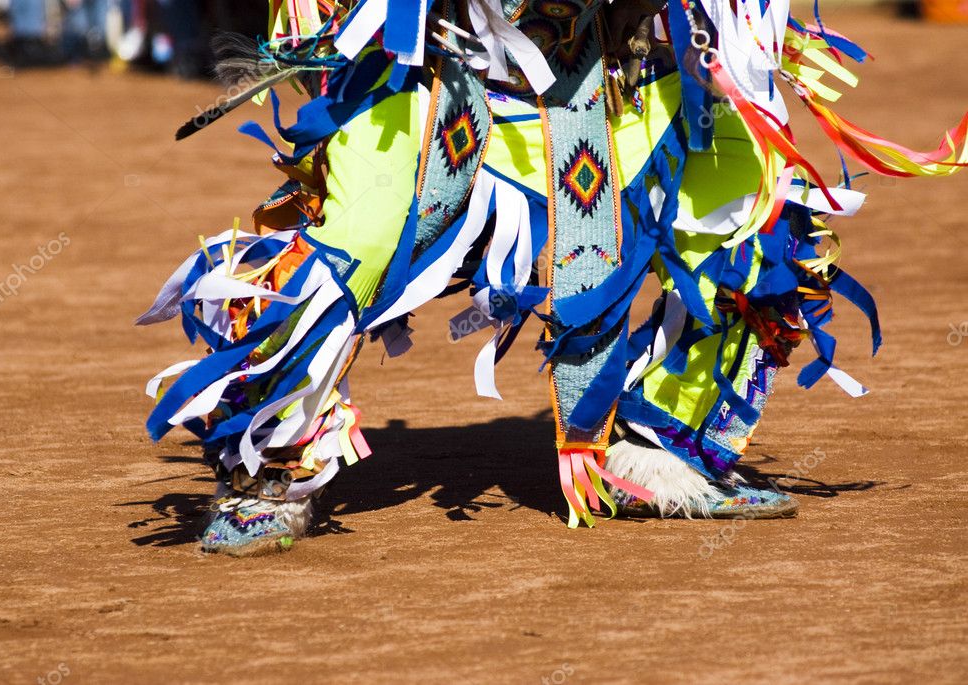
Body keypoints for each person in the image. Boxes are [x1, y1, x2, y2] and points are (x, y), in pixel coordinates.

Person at [139, 0, 966, 556]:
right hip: (435, 75)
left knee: (754, 212)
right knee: (353, 244)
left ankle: (660, 448)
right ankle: (273, 461)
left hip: (619, 74)